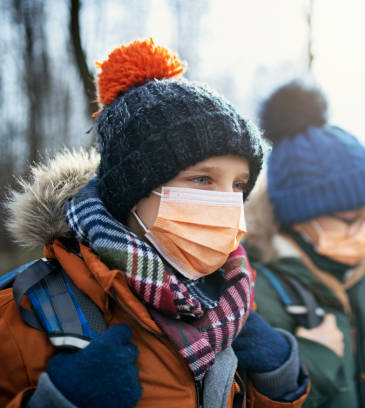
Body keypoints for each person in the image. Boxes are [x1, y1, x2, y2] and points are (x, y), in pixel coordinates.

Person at [0, 39, 308, 408]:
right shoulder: (23, 308)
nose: (228, 202)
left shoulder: (233, 302)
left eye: (238, 185)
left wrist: (277, 386)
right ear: (133, 192)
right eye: (202, 180)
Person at [243, 81, 365, 408]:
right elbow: (256, 398)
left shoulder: (346, 271)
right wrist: (313, 360)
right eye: (350, 218)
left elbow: (352, 368)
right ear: (299, 217)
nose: (364, 230)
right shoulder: (261, 292)